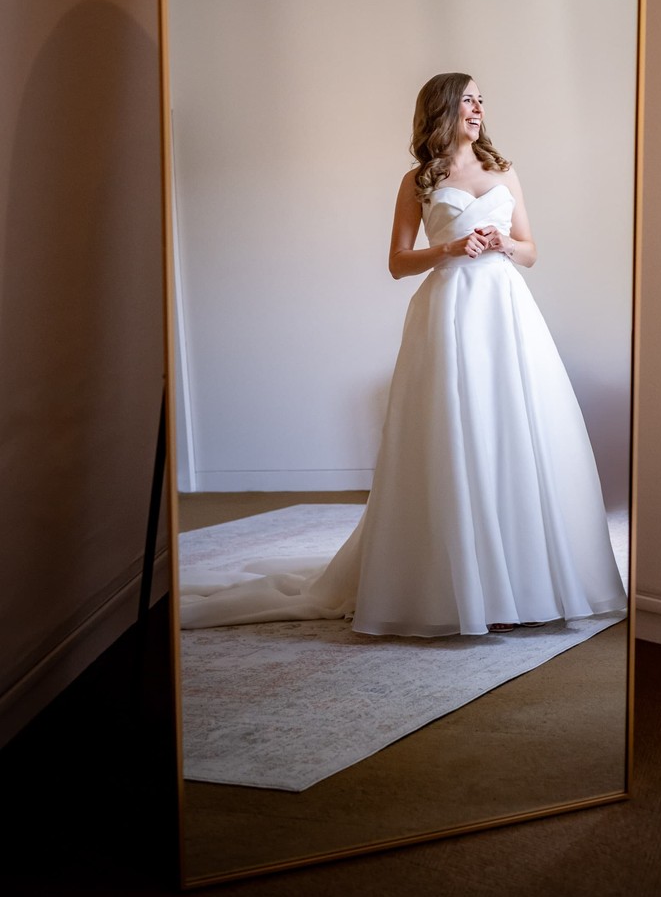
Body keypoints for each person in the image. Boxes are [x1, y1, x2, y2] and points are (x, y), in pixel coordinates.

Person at [181, 72, 626, 635]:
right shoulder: (419, 179)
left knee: (515, 428)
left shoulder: (504, 171)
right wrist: (451, 247)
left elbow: (531, 250)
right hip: (450, 311)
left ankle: (527, 576)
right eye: (468, 98)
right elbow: (397, 261)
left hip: (507, 311)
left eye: (481, 99)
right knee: (451, 431)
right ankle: (451, 580)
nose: (478, 107)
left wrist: (503, 245)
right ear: (443, 107)